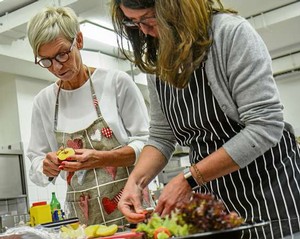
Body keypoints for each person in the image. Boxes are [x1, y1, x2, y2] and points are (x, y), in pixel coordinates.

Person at [111, 0, 300, 238]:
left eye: (148, 18)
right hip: (214, 204)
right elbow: (161, 136)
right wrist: (136, 182)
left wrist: (189, 179)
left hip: (269, 196)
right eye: (133, 22)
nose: (143, 30)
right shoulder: (159, 58)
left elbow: (265, 126)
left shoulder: (230, 34)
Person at [26, 6, 152, 226]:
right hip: (85, 224)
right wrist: (45, 166)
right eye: (46, 61)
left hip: (133, 214)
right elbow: (36, 163)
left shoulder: (116, 83)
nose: (56, 67)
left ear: (80, 41)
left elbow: (149, 146)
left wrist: (102, 158)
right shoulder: (44, 102)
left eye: (62, 54)